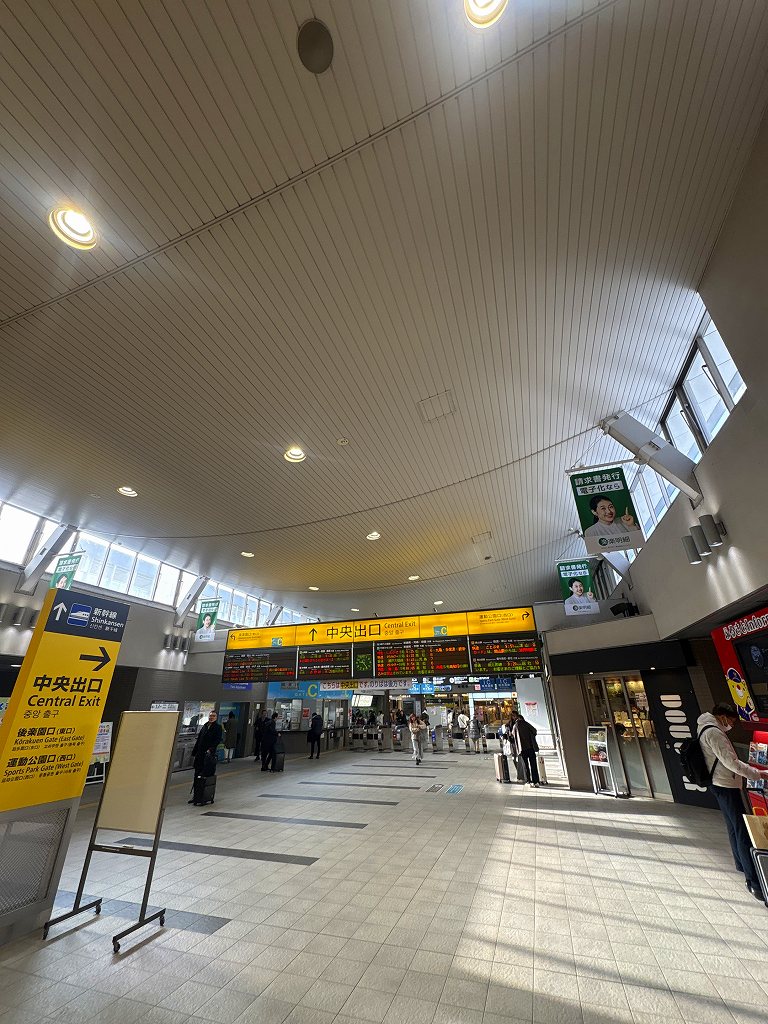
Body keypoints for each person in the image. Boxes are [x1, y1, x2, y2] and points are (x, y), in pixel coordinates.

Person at [698, 703, 768, 900]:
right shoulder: (714, 732)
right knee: (742, 831)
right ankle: (754, 881)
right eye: (731, 721)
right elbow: (731, 763)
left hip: (719, 784)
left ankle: (741, 864)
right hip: (725, 785)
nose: (732, 725)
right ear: (722, 716)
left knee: (733, 827)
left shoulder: (704, 727)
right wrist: (758, 774)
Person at [188, 710, 222, 803]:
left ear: (216, 718)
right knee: (196, 775)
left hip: (208, 756)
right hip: (200, 754)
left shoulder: (218, 728)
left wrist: (210, 749)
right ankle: (196, 796)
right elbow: (199, 740)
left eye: (213, 716)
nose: (211, 717)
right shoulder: (205, 726)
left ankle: (204, 796)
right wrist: (194, 752)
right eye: (210, 716)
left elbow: (217, 740)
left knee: (205, 775)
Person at [511, 711, 540, 786]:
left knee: (525, 766)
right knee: (533, 764)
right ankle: (536, 781)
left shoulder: (515, 726)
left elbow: (512, 736)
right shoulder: (526, 724)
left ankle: (528, 781)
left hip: (522, 749)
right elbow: (534, 731)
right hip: (530, 747)